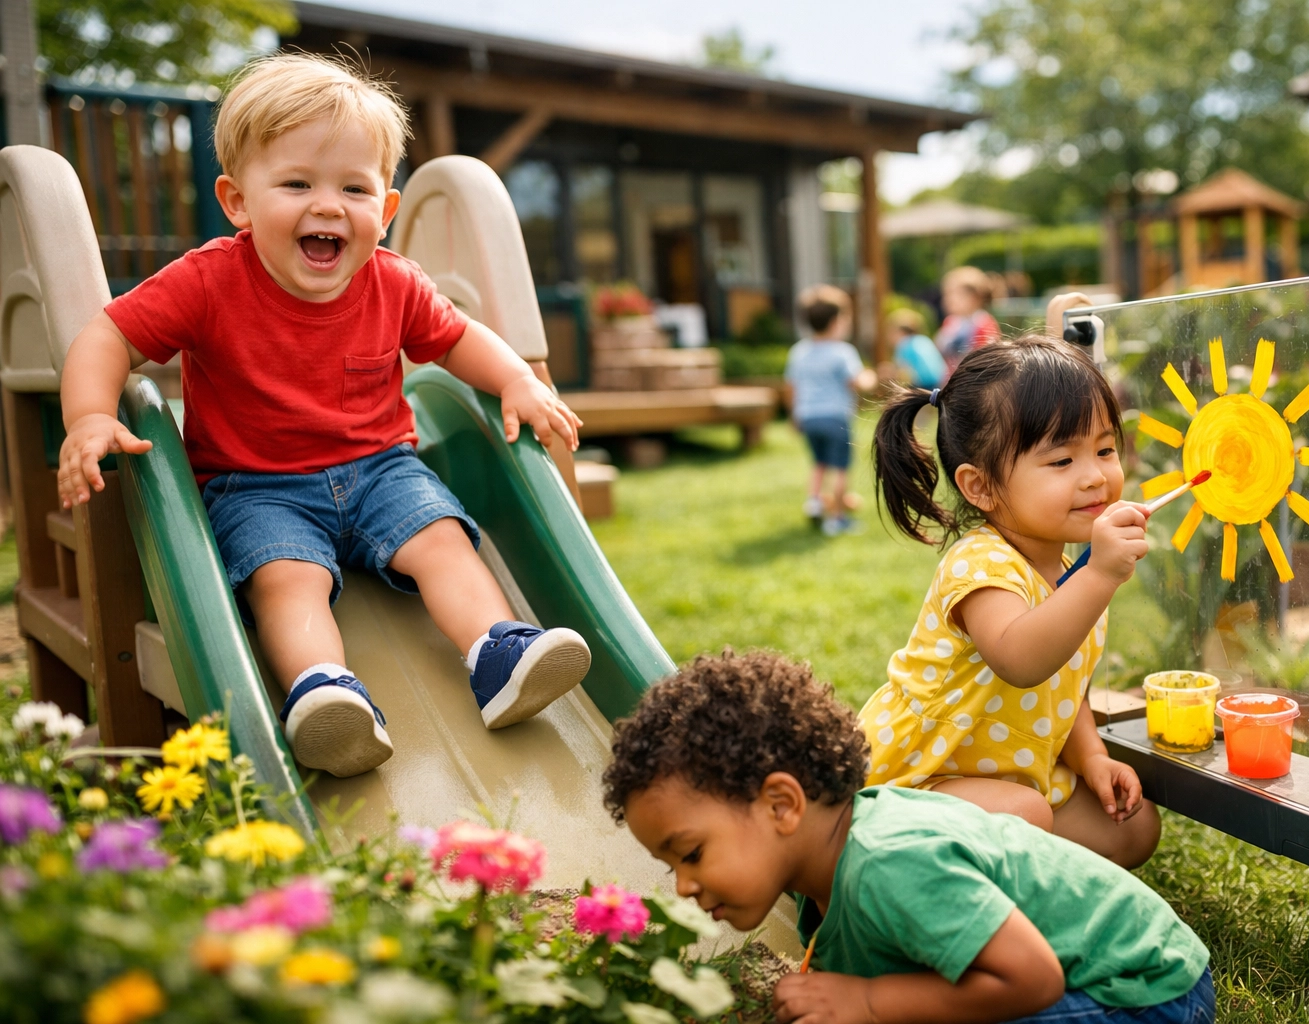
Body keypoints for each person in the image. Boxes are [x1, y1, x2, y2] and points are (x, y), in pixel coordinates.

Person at [55, 54, 593, 779]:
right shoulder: (208, 281)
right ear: (238, 200)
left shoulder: (393, 281)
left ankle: (496, 652)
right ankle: (325, 691)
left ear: (386, 208)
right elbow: (108, 335)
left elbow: (458, 336)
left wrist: (516, 381)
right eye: (297, 184)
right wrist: (89, 415)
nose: (329, 205)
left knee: (441, 541)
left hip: (381, 470)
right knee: (285, 578)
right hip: (256, 486)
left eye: (354, 187)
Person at [603, 651, 1214, 1024]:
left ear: (782, 804)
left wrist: (866, 1006)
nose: (683, 886)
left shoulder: (891, 862)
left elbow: (1032, 981)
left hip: (1141, 991)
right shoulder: (823, 879)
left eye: (691, 853)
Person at [862, 338, 1160, 869]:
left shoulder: (1072, 569)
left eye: (1106, 449)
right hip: (917, 784)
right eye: (1063, 459)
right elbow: (1022, 661)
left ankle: (1025, 874)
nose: (1095, 475)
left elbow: (1067, 690)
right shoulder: (980, 565)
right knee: (1025, 816)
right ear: (980, 487)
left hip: (1007, 781)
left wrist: (1091, 758)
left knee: (1133, 829)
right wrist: (1097, 576)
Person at [784, 286, 875, 537]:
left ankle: (814, 502)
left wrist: (794, 416)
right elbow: (856, 382)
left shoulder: (799, 351)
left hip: (808, 417)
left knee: (819, 463)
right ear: (836, 322)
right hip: (835, 418)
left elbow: (791, 387)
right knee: (840, 467)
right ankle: (837, 519)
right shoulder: (842, 352)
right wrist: (870, 376)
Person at [934, 266, 1001, 373]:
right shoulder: (951, 322)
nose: (947, 299)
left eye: (953, 294)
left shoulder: (983, 324)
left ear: (974, 297)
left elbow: (986, 361)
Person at [888, 308, 946, 388]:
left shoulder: (904, 344)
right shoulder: (924, 339)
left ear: (900, 332)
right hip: (941, 382)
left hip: (923, 385)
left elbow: (904, 373)